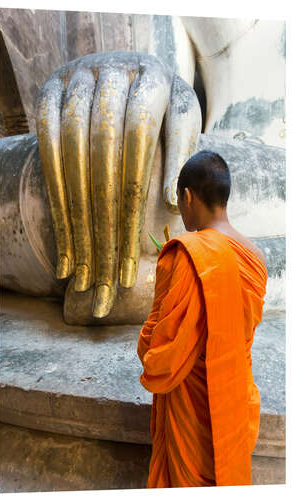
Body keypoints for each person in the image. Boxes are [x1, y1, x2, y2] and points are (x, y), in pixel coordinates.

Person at [137, 150, 267, 487]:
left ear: (187, 196)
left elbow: (159, 350)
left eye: (180, 202)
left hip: (192, 409)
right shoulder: (255, 258)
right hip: (235, 399)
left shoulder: (186, 255)